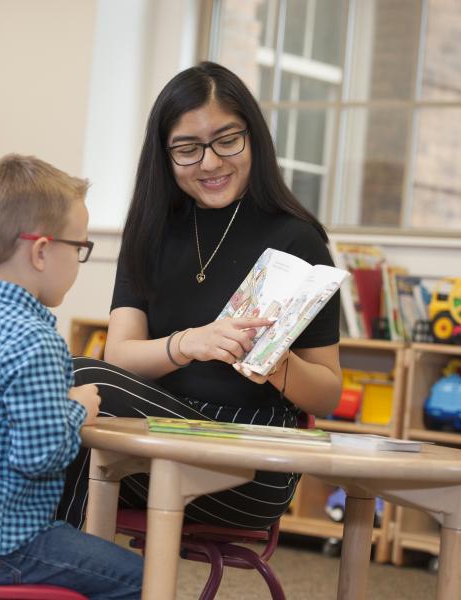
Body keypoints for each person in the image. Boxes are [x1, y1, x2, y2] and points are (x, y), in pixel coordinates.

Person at [57, 61, 342, 531]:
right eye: (188, 149)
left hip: (251, 461)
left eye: (227, 140)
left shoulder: (298, 240)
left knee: (78, 377)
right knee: (63, 430)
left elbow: (328, 395)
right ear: (164, 156)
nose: (210, 162)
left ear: (253, 137)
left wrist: (273, 361)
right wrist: (188, 343)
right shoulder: (150, 233)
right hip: (154, 439)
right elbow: (122, 355)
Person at [0, 155, 143, 600]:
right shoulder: (35, 340)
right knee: (142, 578)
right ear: (41, 251)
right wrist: (77, 408)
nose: (79, 260)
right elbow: (40, 456)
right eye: (79, 248)